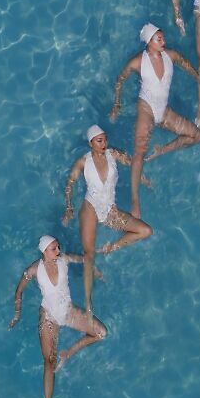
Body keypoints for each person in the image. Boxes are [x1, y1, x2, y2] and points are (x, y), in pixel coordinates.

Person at [8, 235, 107, 398]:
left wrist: (94, 269)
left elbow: (83, 259)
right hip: (49, 317)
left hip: (69, 312)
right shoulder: (34, 270)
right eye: (54, 248)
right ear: (44, 251)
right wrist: (17, 314)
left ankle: (68, 353)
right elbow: (18, 292)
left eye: (58, 246)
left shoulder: (64, 260)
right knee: (48, 362)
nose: (58, 250)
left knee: (101, 333)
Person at [110, 23, 200, 219]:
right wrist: (116, 106)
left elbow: (189, 67)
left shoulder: (171, 56)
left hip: (164, 111)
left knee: (197, 135)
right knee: (139, 152)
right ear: (149, 42)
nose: (164, 41)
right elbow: (120, 80)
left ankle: (163, 149)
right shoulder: (137, 62)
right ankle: (135, 200)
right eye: (159, 39)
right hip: (147, 110)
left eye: (163, 38)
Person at [62, 124, 152, 321]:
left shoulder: (114, 154)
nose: (104, 144)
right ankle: (88, 303)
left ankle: (111, 247)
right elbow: (69, 184)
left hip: (110, 211)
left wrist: (143, 178)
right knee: (88, 254)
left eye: (105, 139)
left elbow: (132, 163)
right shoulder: (82, 162)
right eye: (99, 140)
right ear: (90, 143)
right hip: (91, 209)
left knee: (145, 231)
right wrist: (68, 209)